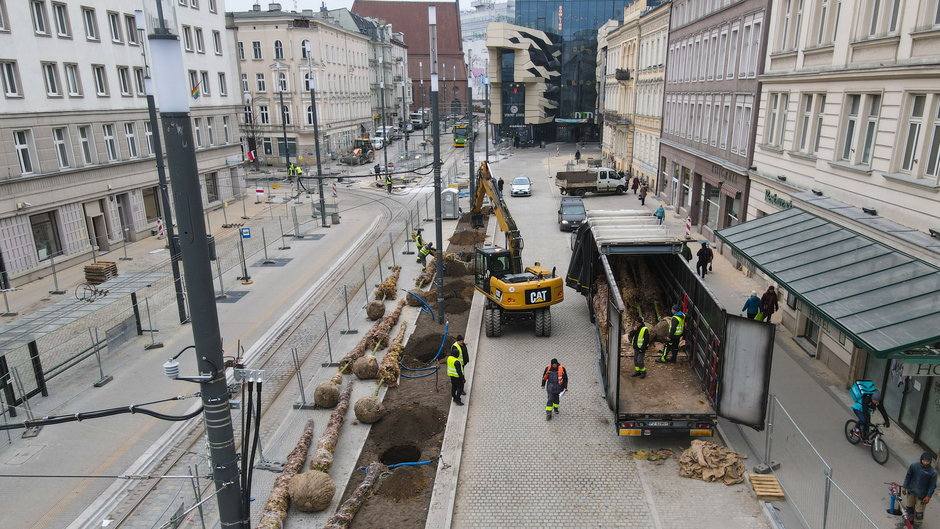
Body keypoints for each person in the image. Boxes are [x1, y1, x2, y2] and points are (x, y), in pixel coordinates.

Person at [902, 452, 937, 527]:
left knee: (919, 513)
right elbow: (908, 476)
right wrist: (904, 486)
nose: (925, 462)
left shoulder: (933, 472)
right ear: (921, 459)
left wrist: (928, 496)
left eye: (927, 461)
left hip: (922, 496)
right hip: (911, 491)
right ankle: (908, 522)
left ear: (930, 462)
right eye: (924, 460)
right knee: (909, 509)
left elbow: (932, 486)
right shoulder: (914, 466)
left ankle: (916, 526)